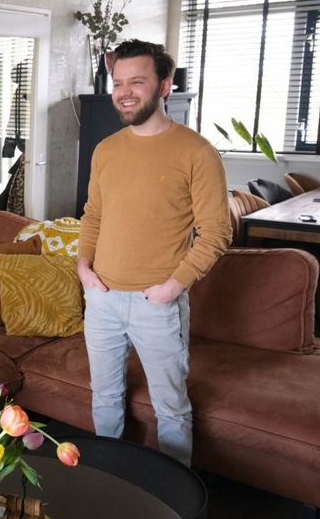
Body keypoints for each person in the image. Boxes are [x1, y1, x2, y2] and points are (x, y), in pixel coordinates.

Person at [77, 39, 231, 467]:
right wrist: (83, 267)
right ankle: (108, 484)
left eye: (137, 82)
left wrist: (172, 287)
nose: (124, 92)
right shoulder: (106, 149)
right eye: (118, 82)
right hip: (102, 299)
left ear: (164, 86)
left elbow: (218, 231)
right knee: (105, 399)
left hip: (156, 303)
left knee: (171, 409)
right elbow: (93, 215)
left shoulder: (197, 152)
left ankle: (170, 502)